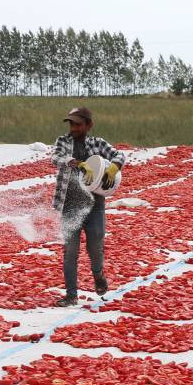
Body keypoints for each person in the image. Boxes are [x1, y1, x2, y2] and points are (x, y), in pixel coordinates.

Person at [50, 107, 125, 307]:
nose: (73, 128)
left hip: (95, 206)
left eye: (78, 124)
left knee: (95, 247)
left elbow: (119, 155)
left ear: (88, 125)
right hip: (70, 205)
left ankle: (98, 274)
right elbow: (55, 158)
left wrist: (113, 167)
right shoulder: (63, 142)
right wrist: (76, 163)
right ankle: (71, 295)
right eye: (71, 124)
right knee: (70, 251)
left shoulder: (98, 143)